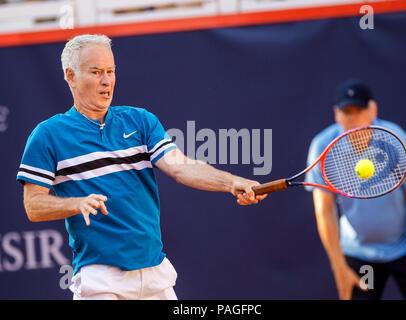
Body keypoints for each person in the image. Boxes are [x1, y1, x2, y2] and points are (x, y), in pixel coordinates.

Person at [16, 34, 266, 300]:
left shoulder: (141, 121)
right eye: (96, 72)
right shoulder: (47, 135)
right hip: (100, 280)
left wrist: (231, 182)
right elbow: (34, 206)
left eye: (111, 71)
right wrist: (77, 204)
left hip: (155, 274)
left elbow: (180, 167)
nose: (106, 81)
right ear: (71, 76)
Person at [304, 79, 406, 300]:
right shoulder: (322, 147)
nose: (353, 118)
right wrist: (340, 269)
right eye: (347, 111)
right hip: (360, 255)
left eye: (359, 109)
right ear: (336, 114)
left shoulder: (398, 141)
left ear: (373, 109)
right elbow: (324, 211)